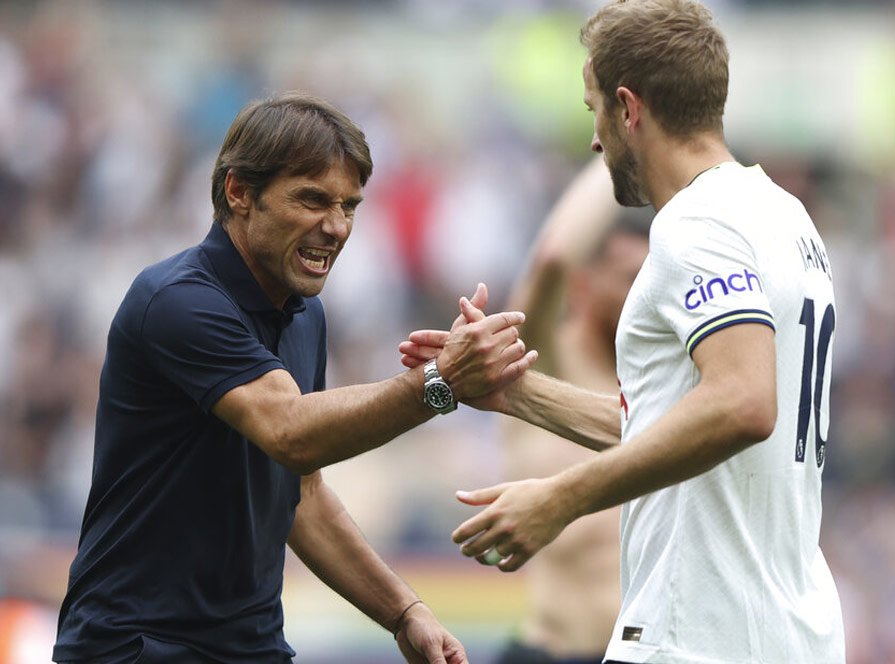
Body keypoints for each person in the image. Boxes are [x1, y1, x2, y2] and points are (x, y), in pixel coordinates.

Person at [401, 1, 846, 662]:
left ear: (629, 109)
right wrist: (516, 393)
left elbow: (744, 405)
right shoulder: (786, 219)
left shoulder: (698, 225)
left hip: (699, 635)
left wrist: (562, 496)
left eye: (594, 111)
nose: (594, 141)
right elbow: (689, 424)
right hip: (790, 633)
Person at [53, 92, 537, 664]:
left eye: (349, 206)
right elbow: (291, 431)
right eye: (311, 200)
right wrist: (441, 381)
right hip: (134, 645)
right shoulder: (177, 301)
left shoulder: (307, 314)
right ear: (239, 192)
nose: (335, 227)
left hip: (251, 646)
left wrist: (405, 612)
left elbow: (300, 491)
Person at [493, 158, 648, 664]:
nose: (640, 295)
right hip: (553, 650)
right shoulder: (545, 362)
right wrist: (626, 145)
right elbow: (555, 257)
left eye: (650, 278)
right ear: (587, 282)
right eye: (628, 277)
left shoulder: (663, 384)